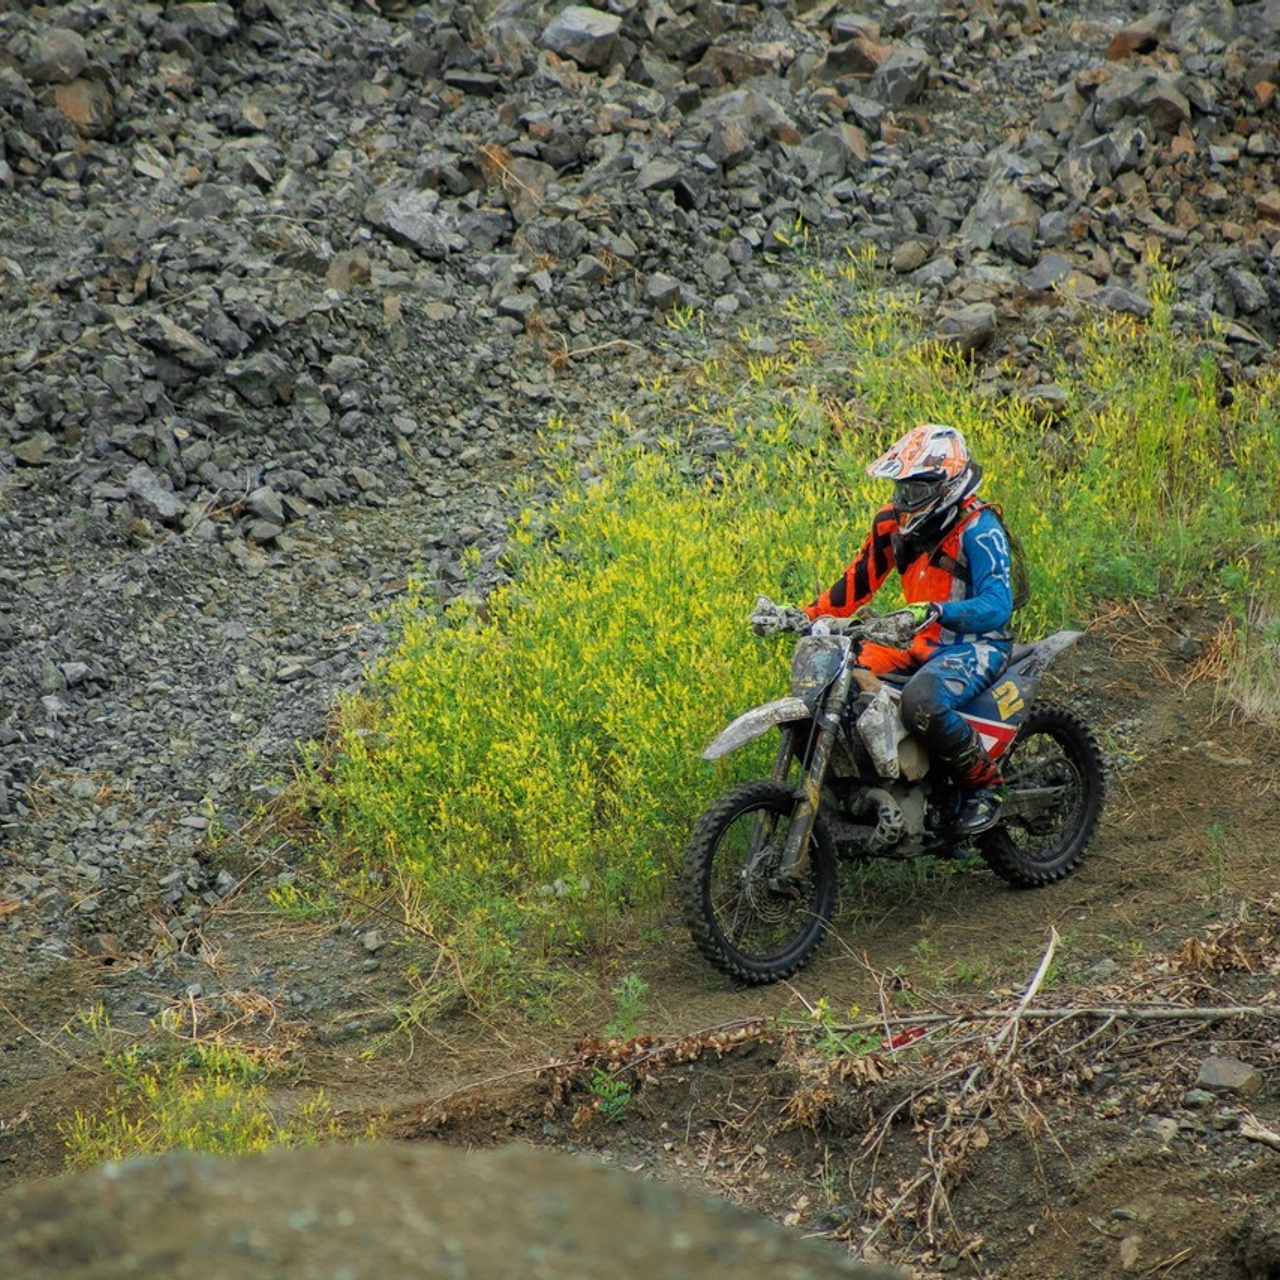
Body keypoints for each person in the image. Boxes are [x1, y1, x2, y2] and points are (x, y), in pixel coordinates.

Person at [756, 424, 1014, 837]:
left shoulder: (980, 529)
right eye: (901, 488)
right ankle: (861, 789)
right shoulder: (891, 524)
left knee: (922, 701)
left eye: (916, 489)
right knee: (830, 681)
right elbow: (854, 586)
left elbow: (998, 605)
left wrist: (935, 611)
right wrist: (799, 616)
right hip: (912, 640)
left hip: (974, 644)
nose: (905, 499)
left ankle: (986, 786)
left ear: (946, 486)